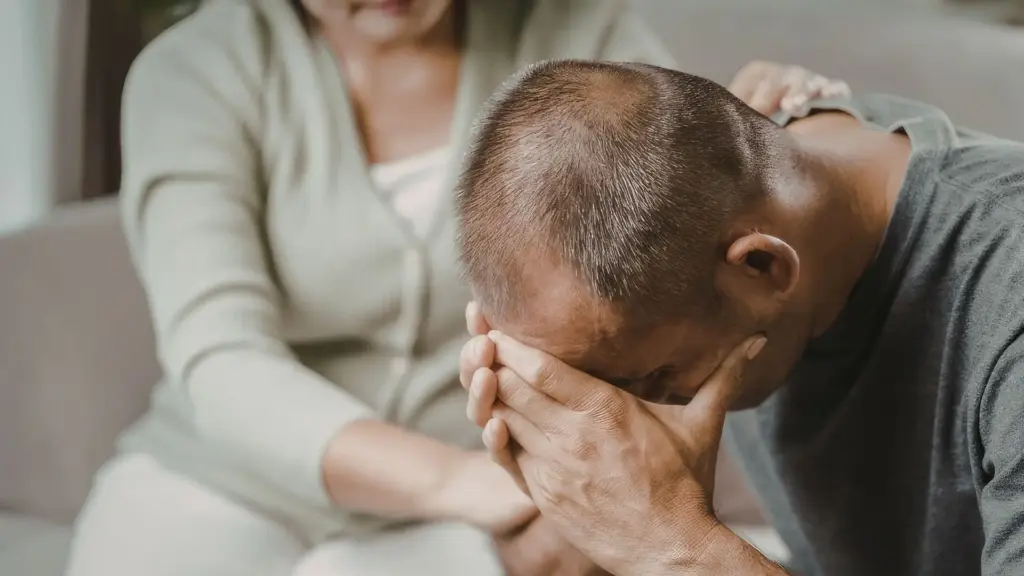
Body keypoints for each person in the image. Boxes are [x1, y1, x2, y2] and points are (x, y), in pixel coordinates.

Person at [63, 0, 849, 574]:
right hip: (230, 479)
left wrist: (770, 132)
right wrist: (474, 487)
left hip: (489, 503)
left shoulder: (579, 30)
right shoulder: (196, 67)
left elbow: (676, 219)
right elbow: (221, 359)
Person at [456, 59, 1024, 576]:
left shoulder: (1005, 297)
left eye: (651, 378)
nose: (619, 414)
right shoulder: (730, 185)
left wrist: (671, 542)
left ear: (763, 266)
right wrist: (582, 513)